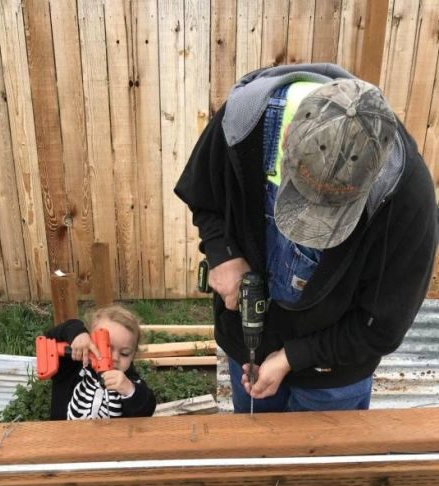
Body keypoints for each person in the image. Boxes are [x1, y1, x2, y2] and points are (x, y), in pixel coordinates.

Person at [175, 63, 438, 413]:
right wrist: (222, 253)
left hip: (334, 373)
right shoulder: (243, 123)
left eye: (333, 210)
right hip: (249, 348)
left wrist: (292, 357)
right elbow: (203, 196)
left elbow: (382, 327)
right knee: (255, 444)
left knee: (323, 451)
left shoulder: (406, 198)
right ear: (287, 139)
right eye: (301, 194)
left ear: (373, 176)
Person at [45, 304, 156, 420]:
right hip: (62, 432)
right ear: (89, 341)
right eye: (106, 348)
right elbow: (50, 338)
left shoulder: (129, 380)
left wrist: (130, 390)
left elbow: (148, 409)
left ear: (133, 355)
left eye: (124, 353)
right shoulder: (70, 365)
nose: (115, 358)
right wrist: (77, 332)